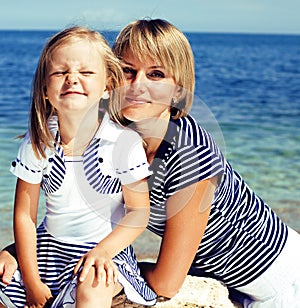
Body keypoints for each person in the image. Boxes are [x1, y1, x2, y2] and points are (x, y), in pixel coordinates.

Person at [1, 18, 300, 308]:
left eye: (156, 75)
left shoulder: (189, 156)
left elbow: (166, 284)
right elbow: (73, 212)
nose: (137, 86)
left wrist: (102, 262)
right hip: (222, 275)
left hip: (276, 281)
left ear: (178, 87)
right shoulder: (115, 132)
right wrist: (19, 254)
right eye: (128, 71)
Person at [0, 26, 157, 308]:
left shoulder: (123, 143)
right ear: (45, 90)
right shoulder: (38, 142)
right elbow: (25, 216)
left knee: (92, 289)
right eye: (60, 73)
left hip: (105, 250)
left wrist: (103, 251)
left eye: (86, 73)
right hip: (49, 251)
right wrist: (33, 282)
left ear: (108, 87)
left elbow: (138, 212)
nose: (72, 79)